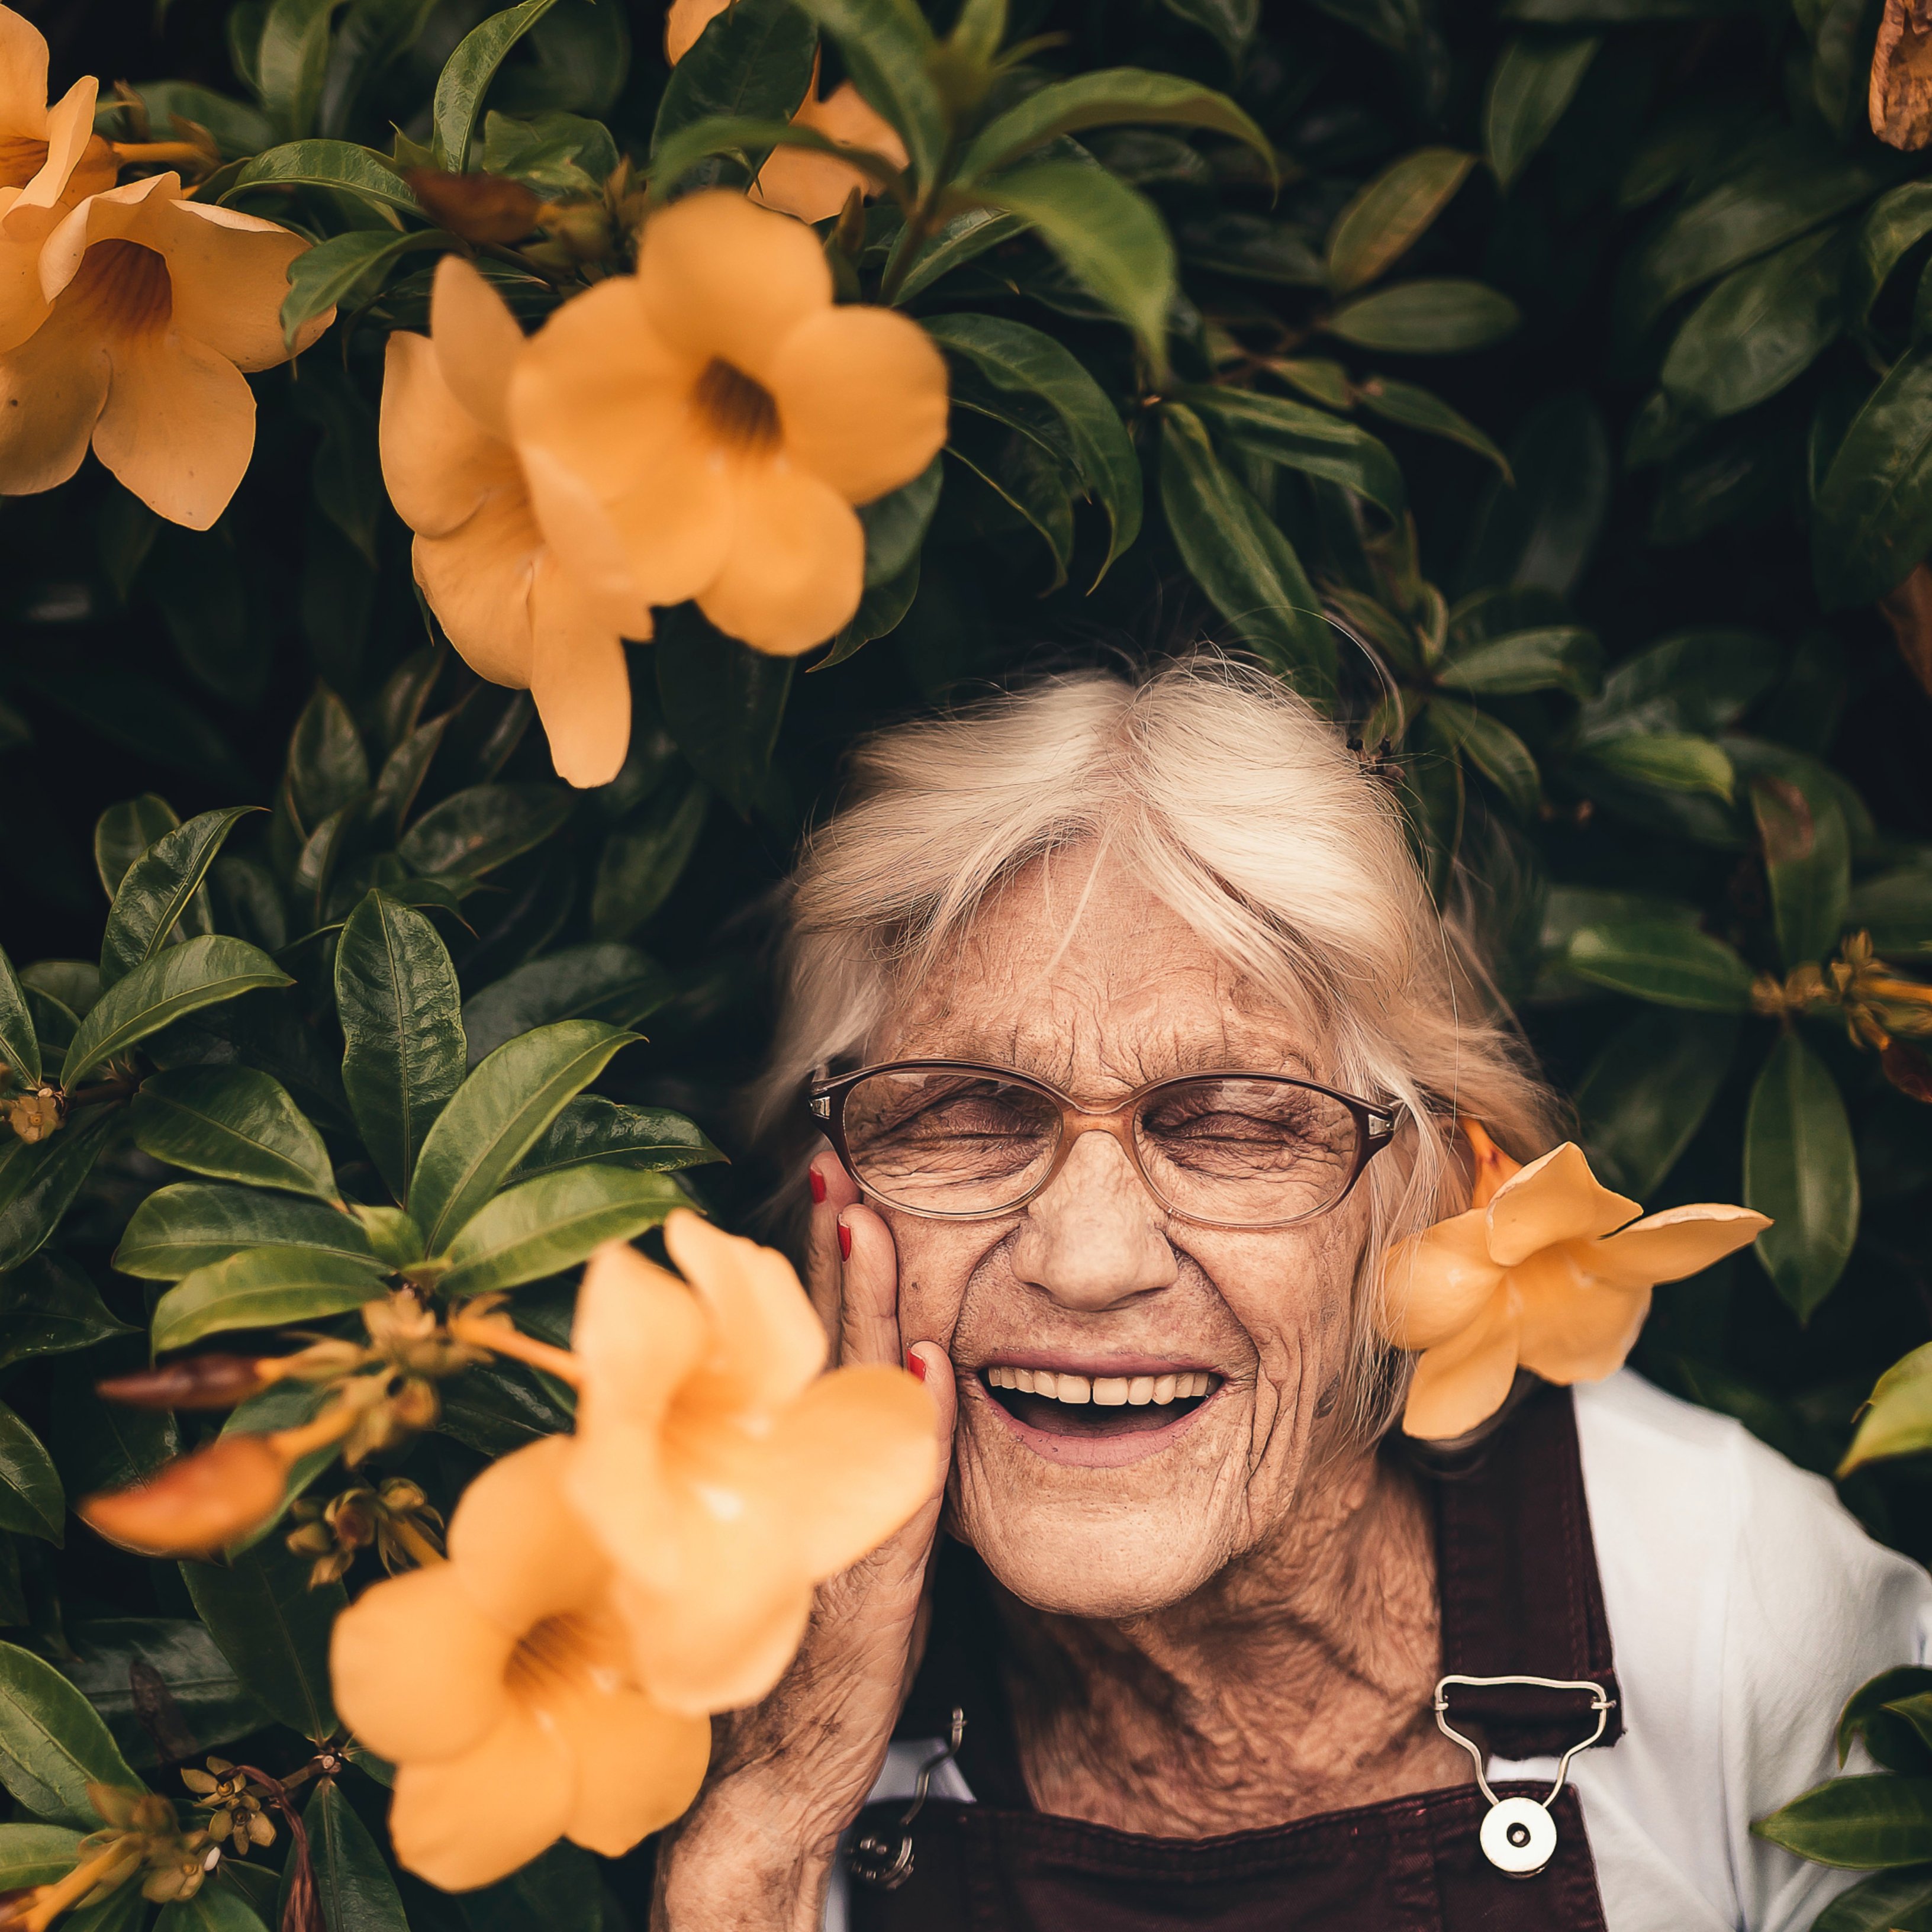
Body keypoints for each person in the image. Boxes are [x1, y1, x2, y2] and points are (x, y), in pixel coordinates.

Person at [649, 658, 1932, 1932]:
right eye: (969, 1115)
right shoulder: (743, 1678)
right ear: (837, 1193)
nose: (1086, 1262)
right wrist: (761, 1830)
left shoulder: (1731, 1602)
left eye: (1232, 1128)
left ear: (1414, 1192)